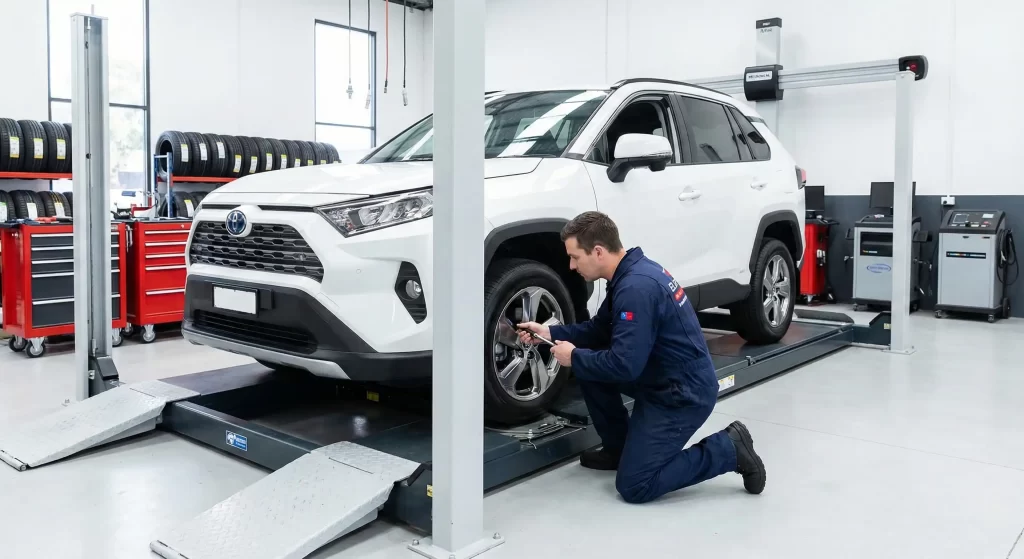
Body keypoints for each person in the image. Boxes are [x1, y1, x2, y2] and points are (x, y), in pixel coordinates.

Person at [518, 211, 766, 504]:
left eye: (575, 257)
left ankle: (728, 449)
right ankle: (619, 449)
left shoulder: (636, 288)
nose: (571, 266)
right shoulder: (629, 273)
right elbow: (599, 330)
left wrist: (574, 357)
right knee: (589, 366)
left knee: (635, 484)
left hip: (682, 394)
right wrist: (549, 332)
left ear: (598, 251)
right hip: (662, 377)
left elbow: (625, 366)